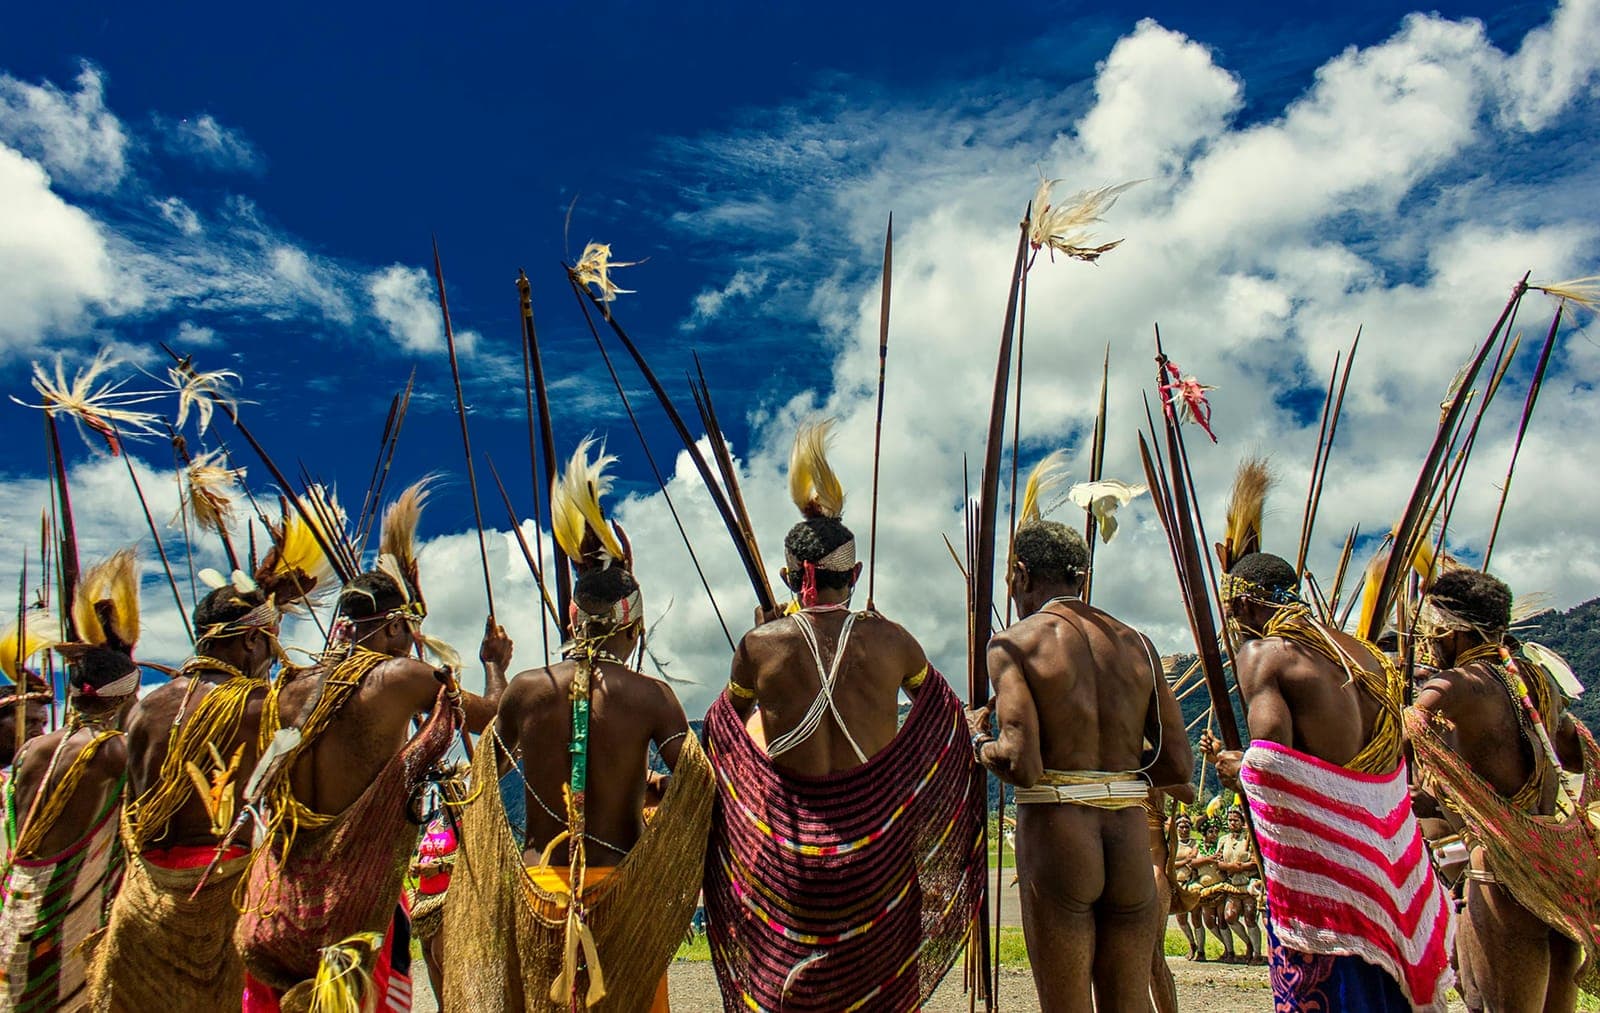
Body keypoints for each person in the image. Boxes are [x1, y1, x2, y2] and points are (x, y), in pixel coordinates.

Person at [705, 420, 983, 1012]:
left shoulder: (760, 645)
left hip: (785, 861)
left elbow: (723, 736)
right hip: (878, 860)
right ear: (854, 576)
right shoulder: (896, 643)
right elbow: (948, 721)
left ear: (789, 577)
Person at [444, 441, 714, 1011]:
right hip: (624, 894)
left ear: (571, 615)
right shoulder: (652, 697)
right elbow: (701, 783)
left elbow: (481, 785)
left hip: (540, 895)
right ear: (634, 625)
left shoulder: (527, 688)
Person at [236, 481, 508, 1011]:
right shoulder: (397, 677)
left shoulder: (286, 691)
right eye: (408, 629)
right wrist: (494, 663)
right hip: (353, 915)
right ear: (393, 627)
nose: (412, 641)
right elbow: (491, 717)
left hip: (277, 904)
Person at [1197, 461, 1453, 1012]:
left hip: (1328, 886)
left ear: (1243, 604)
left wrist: (1237, 767)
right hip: (1388, 875)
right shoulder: (1367, 656)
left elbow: (1274, 767)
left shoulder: (1263, 654)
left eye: (1232, 613)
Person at [967, 452, 1193, 1013]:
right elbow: (1177, 767)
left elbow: (1022, 761)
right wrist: (1113, 769)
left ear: (1019, 575)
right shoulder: (1136, 642)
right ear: (1082, 577)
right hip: (1129, 841)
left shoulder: (1016, 642)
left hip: (1060, 838)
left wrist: (977, 742)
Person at [88, 514, 324, 1013]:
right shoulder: (261, 705)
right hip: (226, 900)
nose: (269, 658)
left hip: (144, 902)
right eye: (267, 644)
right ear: (250, 641)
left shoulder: (144, 710)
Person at [1406, 569, 1600, 1012]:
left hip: (1504, 867)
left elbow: (1396, 737)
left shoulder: (1457, 685)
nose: (1427, 645)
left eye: (1430, 633)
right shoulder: (1537, 680)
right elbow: (1571, 753)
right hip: (1559, 861)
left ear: (1451, 632)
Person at [0, 553, 141, 1010]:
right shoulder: (112, 753)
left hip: (18, 906)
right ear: (126, 695)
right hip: (68, 918)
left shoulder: (33, 750)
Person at [1215, 804, 1262, 964]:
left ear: (1242, 822)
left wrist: (1241, 867)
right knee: (1230, 917)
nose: (1232, 823)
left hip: (1248, 884)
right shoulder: (1223, 840)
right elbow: (1218, 862)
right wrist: (1231, 867)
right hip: (1232, 885)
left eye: (1235, 820)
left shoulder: (1249, 839)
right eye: (1229, 820)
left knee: (1250, 918)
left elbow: (1256, 862)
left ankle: (1257, 954)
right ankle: (1248, 943)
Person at [1169, 812, 1208, 961]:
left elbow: (1194, 861)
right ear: (1176, 828)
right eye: (1181, 826)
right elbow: (1168, 862)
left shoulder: (1195, 843)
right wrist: (1185, 860)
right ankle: (1191, 943)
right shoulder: (1171, 843)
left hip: (1191, 883)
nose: (1184, 829)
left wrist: (1185, 861)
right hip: (1176, 883)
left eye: (1187, 827)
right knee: (1181, 918)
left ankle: (1202, 950)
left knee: (1196, 916)